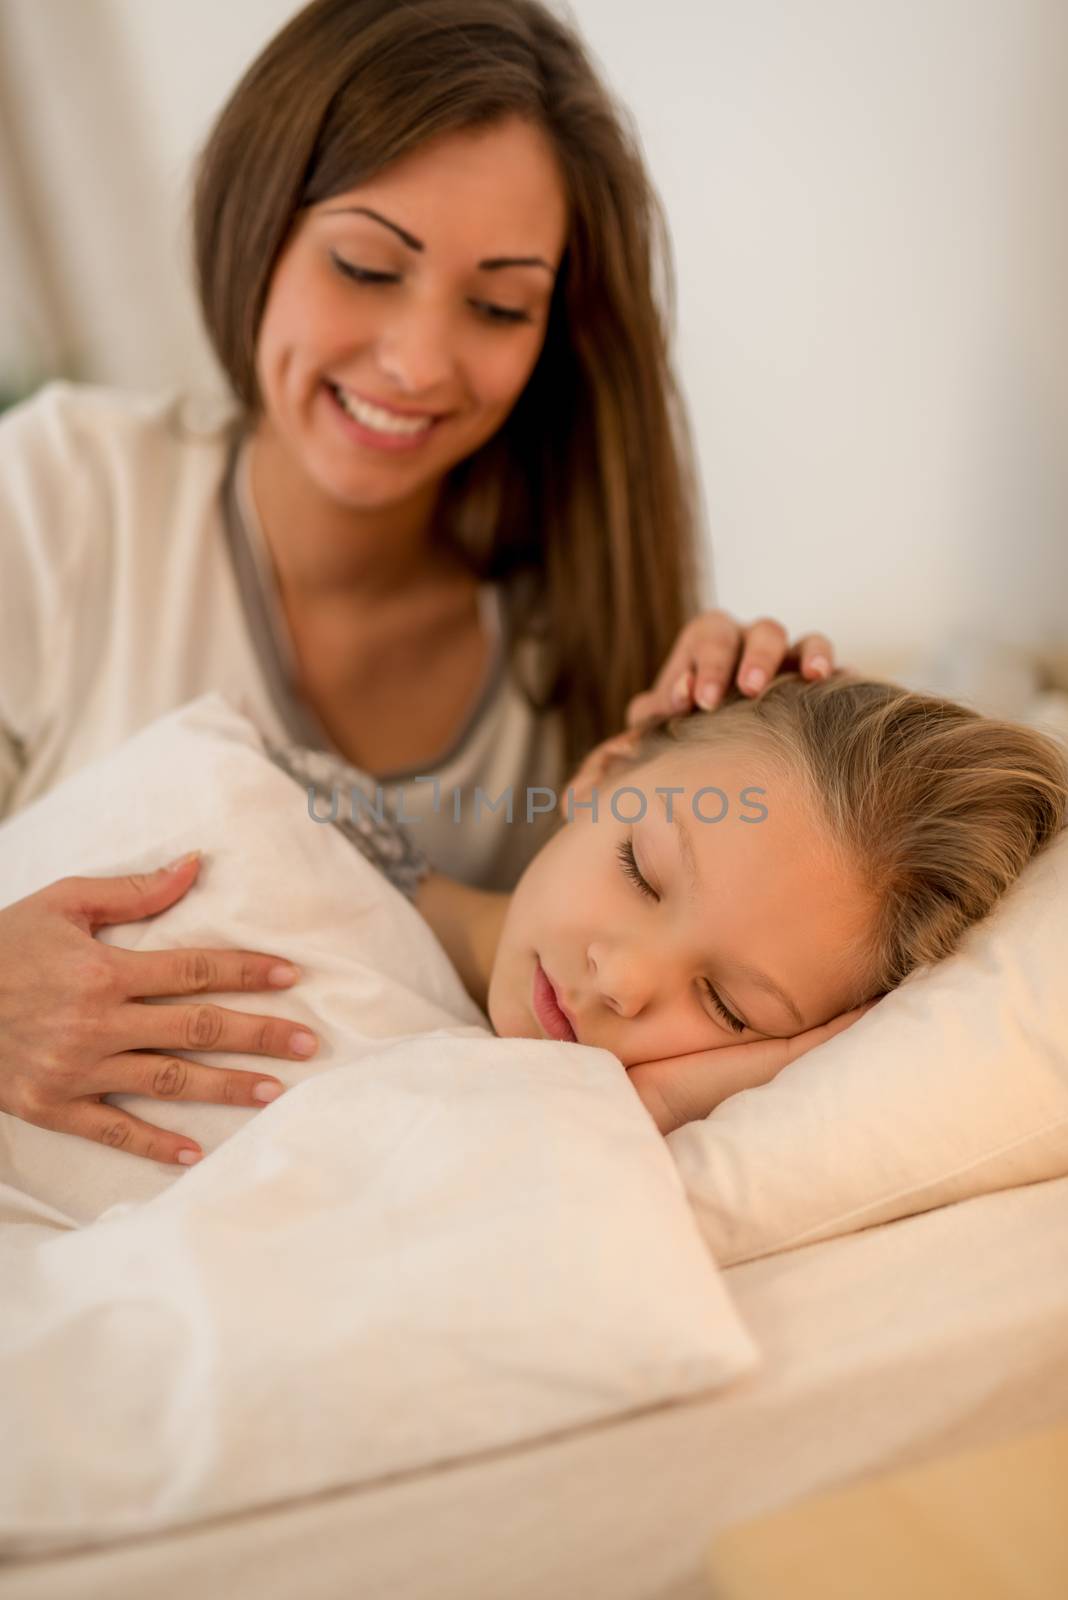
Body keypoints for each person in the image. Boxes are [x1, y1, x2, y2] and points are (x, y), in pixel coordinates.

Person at [0, 0, 837, 1150]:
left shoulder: (574, 630)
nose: (419, 360)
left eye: (499, 306)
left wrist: (729, 756)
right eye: (365, 265)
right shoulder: (61, 500)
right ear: (259, 226)